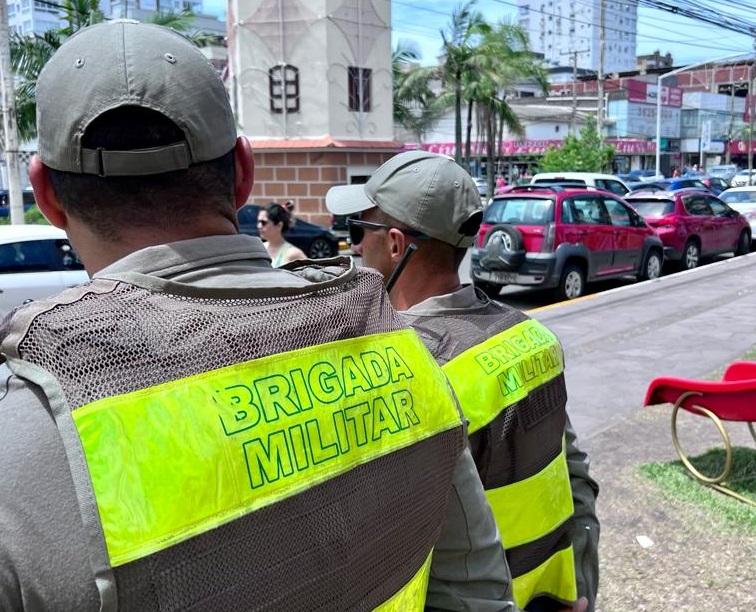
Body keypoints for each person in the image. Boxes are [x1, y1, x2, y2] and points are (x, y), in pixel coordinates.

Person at [0, 21, 516, 611]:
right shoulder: (403, 350)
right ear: (244, 173)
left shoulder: (25, 434)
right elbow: (473, 586)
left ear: (45, 195)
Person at [326, 150, 599, 612]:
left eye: (359, 231)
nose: (353, 247)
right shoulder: (531, 335)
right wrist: (585, 582)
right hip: (554, 592)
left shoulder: (405, 373)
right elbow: (573, 473)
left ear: (395, 244)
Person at [257, 202, 306, 266]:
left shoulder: (293, 253)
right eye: (258, 221)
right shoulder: (260, 249)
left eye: (263, 222)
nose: (259, 226)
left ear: (279, 225)